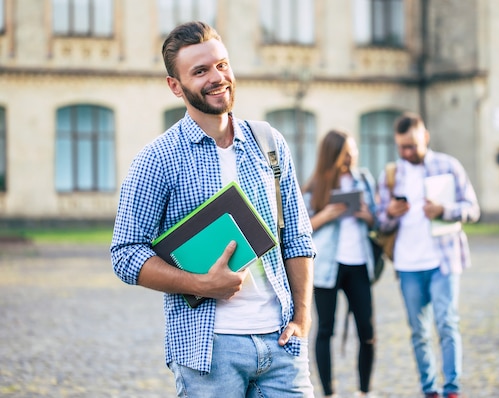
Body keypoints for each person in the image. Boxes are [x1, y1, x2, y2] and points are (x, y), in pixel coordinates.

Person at [110, 21, 316, 397]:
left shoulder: (269, 142)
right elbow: (125, 255)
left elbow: (298, 237)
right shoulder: (156, 160)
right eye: (200, 71)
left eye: (222, 65)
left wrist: (302, 317)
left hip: (282, 343)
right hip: (208, 351)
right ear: (176, 86)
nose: (217, 77)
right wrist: (201, 285)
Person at [377, 112, 480, 398]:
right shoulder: (391, 175)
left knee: (447, 323)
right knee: (419, 332)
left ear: (426, 137)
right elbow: (379, 223)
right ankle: (429, 389)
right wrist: (389, 213)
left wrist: (444, 211)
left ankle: (452, 389)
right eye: (401, 146)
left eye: (411, 145)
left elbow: (473, 209)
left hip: (443, 262)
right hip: (408, 265)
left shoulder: (449, 166)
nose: (406, 152)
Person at [302, 130, 378, 397]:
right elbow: (301, 229)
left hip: (359, 264)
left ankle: (363, 391)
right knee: (324, 330)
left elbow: (378, 222)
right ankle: (329, 392)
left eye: (353, 151)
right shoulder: (316, 186)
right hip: (326, 268)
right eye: (346, 152)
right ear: (333, 155)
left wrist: (367, 215)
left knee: (367, 331)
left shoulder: (364, 180)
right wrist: (327, 215)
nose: (351, 156)